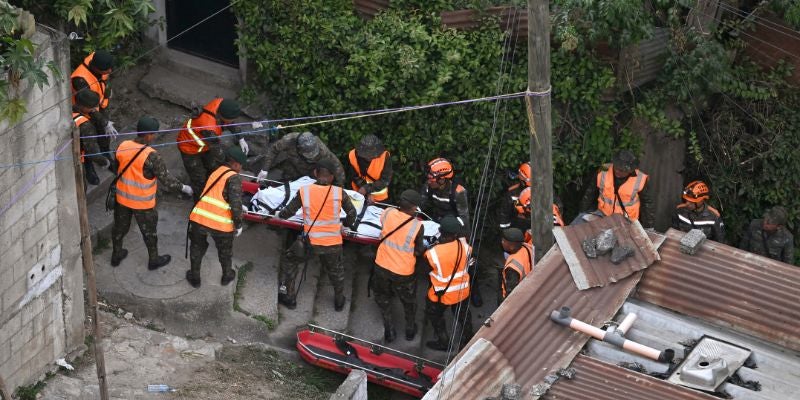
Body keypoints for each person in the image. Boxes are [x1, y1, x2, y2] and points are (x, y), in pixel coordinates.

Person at [111, 117, 194, 268]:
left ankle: (116, 255)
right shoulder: (152, 155)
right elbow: (166, 179)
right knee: (149, 233)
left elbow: (115, 167)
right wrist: (184, 188)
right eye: (154, 134)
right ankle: (153, 260)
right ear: (148, 135)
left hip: (122, 199)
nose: (155, 136)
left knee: (119, 228)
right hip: (142, 203)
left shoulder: (122, 145)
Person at [276, 159, 357, 310]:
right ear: (332, 177)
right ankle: (339, 302)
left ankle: (290, 297)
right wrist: (344, 225)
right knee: (336, 271)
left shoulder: (304, 191)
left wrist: (278, 214)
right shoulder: (339, 193)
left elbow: (288, 212)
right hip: (333, 243)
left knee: (290, 261)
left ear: (315, 173)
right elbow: (353, 214)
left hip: (310, 243)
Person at [186, 146, 246, 288]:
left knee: (196, 248)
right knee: (225, 252)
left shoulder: (216, 172)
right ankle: (227, 275)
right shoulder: (234, 177)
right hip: (220, 224)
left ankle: (195, 277)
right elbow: (235, 205)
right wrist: (238, 225)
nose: (241, 169)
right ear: (235, 163)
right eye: (241, 165)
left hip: (199, 219)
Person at [372, 189, 425, 343]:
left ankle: (389, 330)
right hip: (403, 271)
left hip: (381, 265)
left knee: (382, 297)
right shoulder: (417, 226)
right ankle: (409, 330)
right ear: (415, 208)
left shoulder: (387, 213)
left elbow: (384, 226)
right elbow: (419, 250)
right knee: (408, 301)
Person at [176, 97, 245, 201]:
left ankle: (212, 188)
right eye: (231, 120)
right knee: (199, 179)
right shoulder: (209, 127)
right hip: (189, 148)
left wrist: (240, 137)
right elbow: (218, 152)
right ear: (223, 116)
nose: (232, 122)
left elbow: (230, 122)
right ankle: (200, 202)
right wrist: (231, 162)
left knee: (213, 167)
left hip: (204, 145)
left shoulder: (221, 104)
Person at [424, 216, 474, 351]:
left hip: (440, 295)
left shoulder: (432, 253)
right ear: (456, 233)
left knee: (436, 316)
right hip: (462, 291)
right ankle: (468, 342)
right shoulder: (466, 248)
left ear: (440, 230)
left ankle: (444, 343)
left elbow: (426, 270)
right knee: (464, 316)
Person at [578, 150, 654, 228]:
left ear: (630, 171)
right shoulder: (603, 170)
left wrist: (649, 227)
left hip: (627, 221)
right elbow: (590, 193)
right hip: (604, 216)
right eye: (616, 167)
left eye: (622, 170)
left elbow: (647, 204)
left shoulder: (640, 179)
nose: (617, 171)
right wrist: (582, 213)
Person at [71, 49, 117, 170]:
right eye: (107, 70)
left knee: (104, 135)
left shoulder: (100, 60)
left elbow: (105, 80)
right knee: (88, 139)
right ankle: (89, 165)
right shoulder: (80, 79)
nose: (110, 71)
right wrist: (103, 121)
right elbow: (87, 105)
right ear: (97, 69)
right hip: (85, 110)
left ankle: (106, 155)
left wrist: (107, 91)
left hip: (98, 105)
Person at [257, 131, 346, 186]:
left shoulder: (322, 150)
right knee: (285, 186)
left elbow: (337, 167)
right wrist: (265, 169)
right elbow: (273, 150)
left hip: (310, 174)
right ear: (299, 148)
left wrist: (338, 188)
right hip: (292, 168)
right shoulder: (289, 140)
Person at [420, 158, 470, 233]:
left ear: (442, 180)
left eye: (431, 179)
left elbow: (464, 220)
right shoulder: (428, 186)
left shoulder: (458, 192)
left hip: (452, 227)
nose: (429, 181)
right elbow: (420, 205)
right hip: (435, 222)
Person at [73, 90, 107, 185]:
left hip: (73, 150)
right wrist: (103, 161)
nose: (95, 109)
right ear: (84, 107)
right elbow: (93, 152)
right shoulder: (85, 125)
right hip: (77, 155)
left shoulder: (70, 111)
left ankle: (90, 173)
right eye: (92, 107)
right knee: (81, 183)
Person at [348, 134, 392, 202]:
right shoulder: (353, 155)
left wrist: (367, 189)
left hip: (378, 197)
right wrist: (366, 192)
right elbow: (354, 176)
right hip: (358, 193)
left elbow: (385, 180)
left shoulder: (385, 156)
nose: (369, 157)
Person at [499, 228, 534, 300]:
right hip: (528, 285)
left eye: (504, 241)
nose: (501, 242)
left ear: (512, 246)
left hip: (518, 295)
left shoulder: (512, 268)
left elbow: (511, 293)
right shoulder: (526, 247)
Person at [498, 162, 532, 230]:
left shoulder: (545, 193)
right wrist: (507, 234)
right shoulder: (512, 194)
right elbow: (504, 217)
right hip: (518, 231)